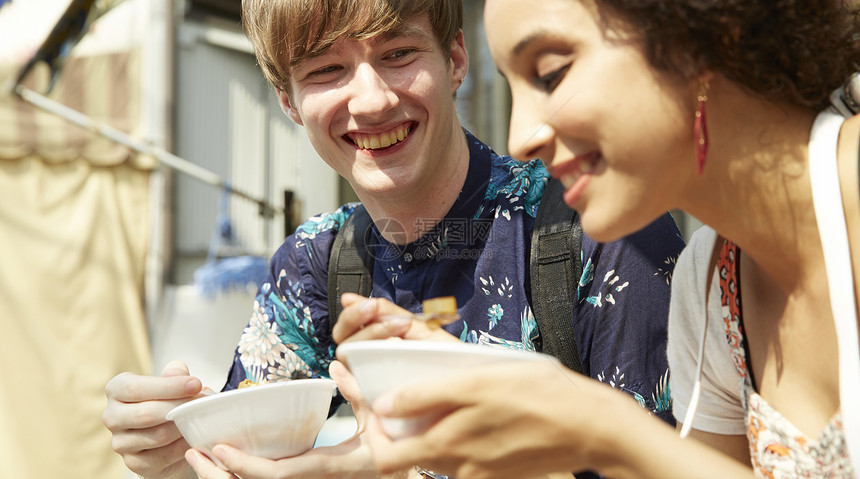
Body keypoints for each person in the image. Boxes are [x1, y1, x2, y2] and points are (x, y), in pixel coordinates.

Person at [101, 0, 686, 478]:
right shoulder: (316, 262)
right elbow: (248, 453)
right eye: (325, 70)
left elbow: (670, 464)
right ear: (289, 102)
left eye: (399, 53)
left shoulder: (598, 229)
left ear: (455, 57)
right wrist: (175, 450)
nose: (374, 100)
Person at [360, 0, 860, 478]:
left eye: (552, 74)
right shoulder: (709, 285)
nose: (520, 137)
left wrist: (602, 427)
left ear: (699, 35)